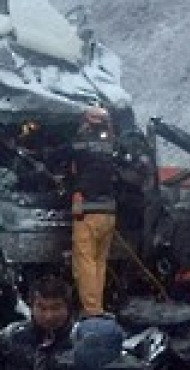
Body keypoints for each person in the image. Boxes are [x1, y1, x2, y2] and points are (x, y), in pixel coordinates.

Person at [70, 106, 118, 317]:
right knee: (99, 262)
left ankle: (91, 310)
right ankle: (97, 306)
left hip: (87, 212)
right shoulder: (111, 145)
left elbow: (61, 155)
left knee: (85, 262)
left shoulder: (81, 145)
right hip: (109, 212)